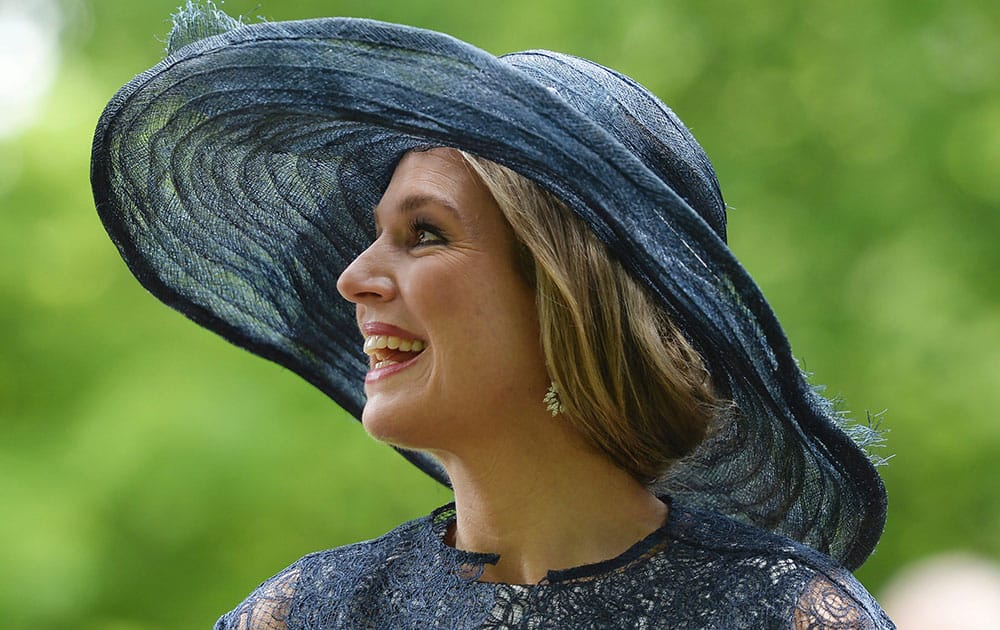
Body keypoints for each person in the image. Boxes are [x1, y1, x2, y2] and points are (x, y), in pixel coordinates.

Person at [91, 2, 894, 628]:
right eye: (377, 234)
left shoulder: (783, 615)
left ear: (568, 299)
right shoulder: (308, 616)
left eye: (425, 234)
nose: (354, 278)